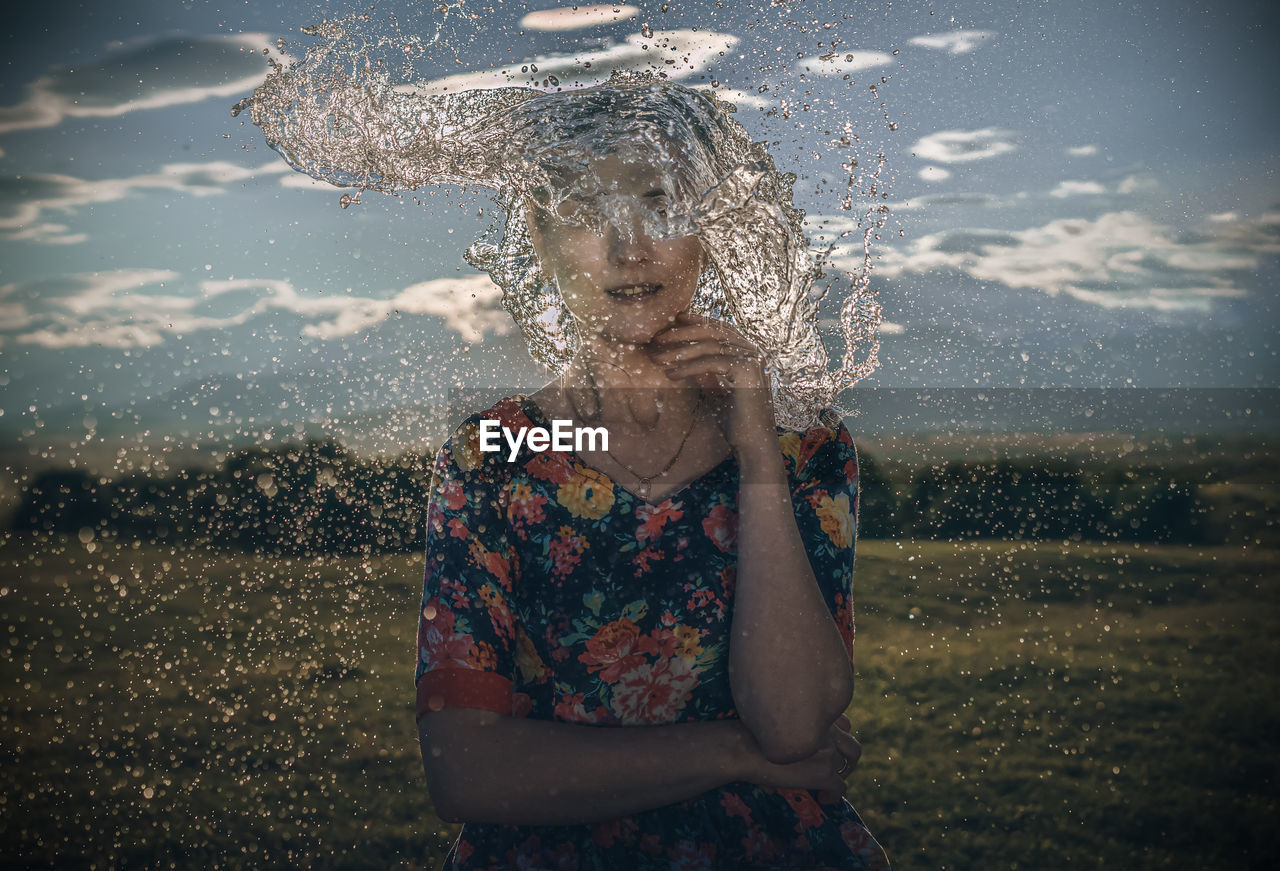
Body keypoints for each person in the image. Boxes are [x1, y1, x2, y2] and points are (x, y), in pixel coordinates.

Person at [411, 78, 893, 870]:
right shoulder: (494, 456)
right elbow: (466, 771)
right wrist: (731, 753)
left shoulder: (802, 449)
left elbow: (795, 724)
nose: (628, 246)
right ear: (540, 234)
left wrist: (752, 443)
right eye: (587, 212)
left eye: (660, 203)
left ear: (711, 226)